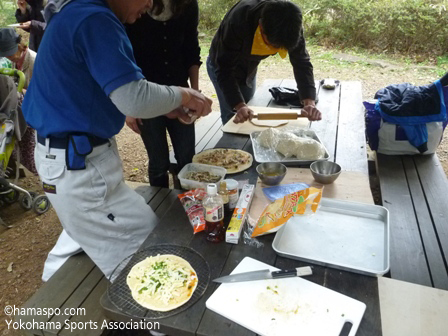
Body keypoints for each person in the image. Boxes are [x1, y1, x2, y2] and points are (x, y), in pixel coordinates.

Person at [22, 0, 212, 281]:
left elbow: (102, 88)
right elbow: (133, 98)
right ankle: (148, 322)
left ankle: (56, 301)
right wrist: (185, 95)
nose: (149, 4)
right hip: (77, 165)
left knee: (108, 233)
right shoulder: (95, 19)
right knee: (147, 256)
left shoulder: (80, 12)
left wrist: (166, 105)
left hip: (69, 159)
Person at [207, 0, 322, 125]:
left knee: (249, 110)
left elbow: (301, 62)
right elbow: (224, 68)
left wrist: (309, 102)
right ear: (261, 25)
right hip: (221, 64)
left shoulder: (291, 23)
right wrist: (239, 106)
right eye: (272, 45)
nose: (276, 50)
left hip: (249, 67)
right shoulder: (238, 21)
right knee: (234, 116)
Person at [125, 0, 201, 187]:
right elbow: (125, 57)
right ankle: (161, 211)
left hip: (180, 94)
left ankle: (187, 204)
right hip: (145, 97)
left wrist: (195, 92)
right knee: (158, 162)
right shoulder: (135, 6)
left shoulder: (188, 4)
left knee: (187, 158)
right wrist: (130, 107)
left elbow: (191, 49)